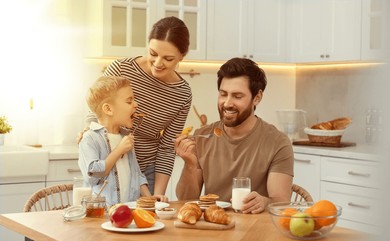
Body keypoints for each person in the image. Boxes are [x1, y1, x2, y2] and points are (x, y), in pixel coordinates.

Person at [84, 17, 192, 201]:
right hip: (109, 165)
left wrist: (158, 193)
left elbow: (166, 148)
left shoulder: (182, 94)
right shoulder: (121, 68)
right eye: (153, 53)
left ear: (182, 56)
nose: (158, 63)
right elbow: (94, 114)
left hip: (145, 172)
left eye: (168, 58)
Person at [174, 57, 294, 214]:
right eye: (223, 94)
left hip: (256, 229)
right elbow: (186, 200)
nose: (227, 103)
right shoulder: (202, 137)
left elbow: (281, 203)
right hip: (214, 224)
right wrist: (190, 165)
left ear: (257, 98)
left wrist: (264, 202)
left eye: (237, 96)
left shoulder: (277, 142)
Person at [78, 76, 152, 207]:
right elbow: (93, 176)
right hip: (101, 214)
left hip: (129, 211)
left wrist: (150, 199)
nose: (136, 104)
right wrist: (119, 151)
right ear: (108, 109)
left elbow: (137, 174)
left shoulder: (126, 137)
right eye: (129, 102)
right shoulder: (90, 138)